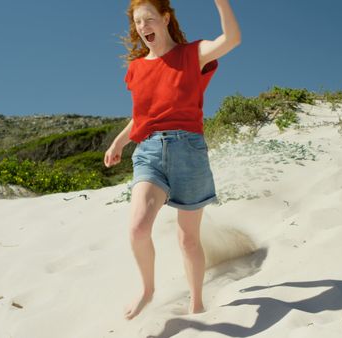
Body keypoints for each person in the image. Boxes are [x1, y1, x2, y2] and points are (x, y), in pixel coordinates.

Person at [104, 0, 241, 320]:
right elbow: (142, 117)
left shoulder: (191, 54)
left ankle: (196, 302)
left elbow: (231, 39)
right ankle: (148, 290)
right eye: (138, 23)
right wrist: (118, 143)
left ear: (166, 19)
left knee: (188, 239)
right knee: (138, 228)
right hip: (149, 152)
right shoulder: (136, 69)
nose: (143, 27)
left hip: (189, 151)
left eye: (149, 19)